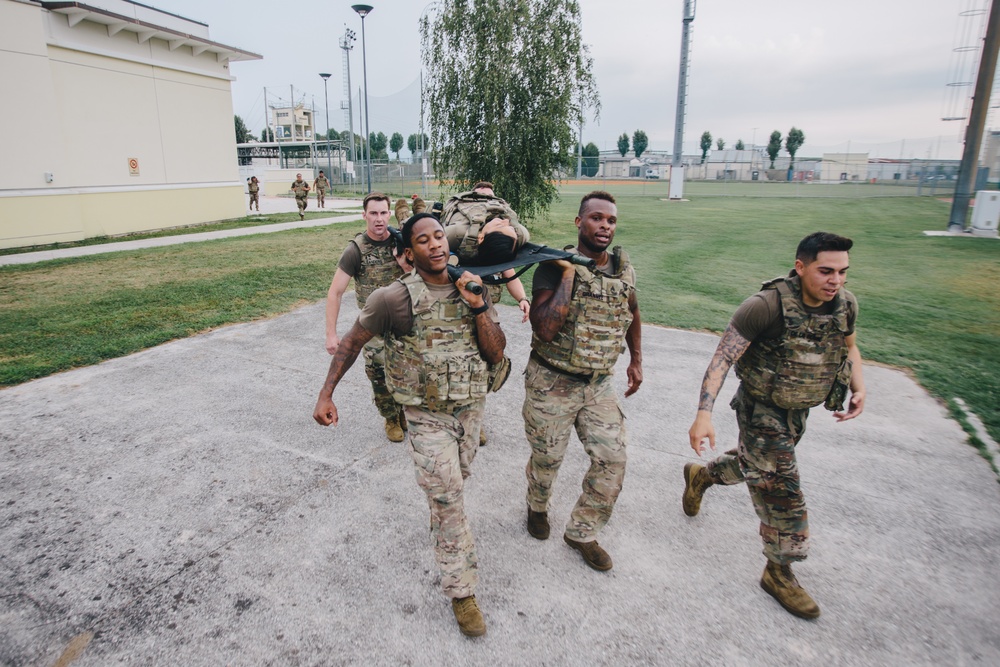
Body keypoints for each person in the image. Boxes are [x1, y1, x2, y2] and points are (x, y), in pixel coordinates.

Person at [313, 212, 506, 637]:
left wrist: (479, 305)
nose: (436, 244)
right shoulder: (392, 299)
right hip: (424, 414)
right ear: (408, 253)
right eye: (424, 240)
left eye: (440, 235)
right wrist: (326, 394)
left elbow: (496, 352)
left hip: (470, 409)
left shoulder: (472, 286)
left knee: (456, 483)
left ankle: (441, 520)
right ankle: (462, 590)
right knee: (449, 494)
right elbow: (351, 343)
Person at [684, 231, 866, 620]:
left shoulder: (845, 304)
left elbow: (850, 346)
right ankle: (779, 571)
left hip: (798, 410)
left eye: (843, 272)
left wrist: (859, 386)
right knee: (783, 489)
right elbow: (722, 360)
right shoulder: (765, 306)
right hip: (760, 409)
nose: (836, 280)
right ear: (801, 267)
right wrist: (704, 414)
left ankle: (702, 477)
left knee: (757, 467)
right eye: (826, 271)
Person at [522, 190, 642, 572]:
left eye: (610, 220)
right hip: (552, 381)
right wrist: (570, 274)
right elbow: (544, 328)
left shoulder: (624, 269)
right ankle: (538, 506)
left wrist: (636, 359)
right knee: (547, 458)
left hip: (598, 384)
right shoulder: (552, 267)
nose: (604, 226)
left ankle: (582, 531)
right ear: (579, 223)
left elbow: (633, 310)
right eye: (596, 218)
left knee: (612, 458)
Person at [325, 192, 408, 442]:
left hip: (403, 321)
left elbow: (420, 278)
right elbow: (335, 292)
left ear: (390, 213)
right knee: (378, 372)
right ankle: (390, 416)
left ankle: (404, 411)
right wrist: (331, 334)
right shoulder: (356, 249)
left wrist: (404, 264)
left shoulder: (401, 242)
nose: (379, 219)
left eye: (383, 213)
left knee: (407, 370)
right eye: (373, 213)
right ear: (364, 215)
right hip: (372, 326)